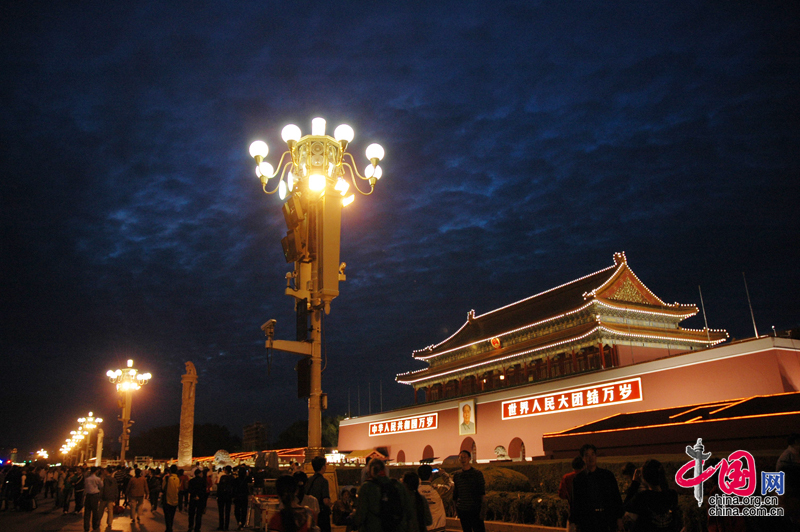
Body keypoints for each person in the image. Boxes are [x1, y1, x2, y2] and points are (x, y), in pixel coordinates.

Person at [571, 444, 624, 532]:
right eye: (587, 455)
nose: (590, 458)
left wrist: (619, 518)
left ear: (596, 456)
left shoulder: (607, 475)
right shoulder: (579, 479)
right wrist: (576, 523)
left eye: (593, 454)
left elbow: (616, 497)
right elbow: (576, 502)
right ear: (583, 458)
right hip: (588, 521)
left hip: (607, 518)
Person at [352, 458, 413, 532]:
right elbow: (409, 511)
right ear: (384, 469)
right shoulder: (398, 485)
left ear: (370, 472)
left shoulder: (366, 487)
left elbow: (360, 516)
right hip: (396, 528)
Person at [624, 459, 681, 532]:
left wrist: (635, 483)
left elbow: (626, 508)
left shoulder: (642, 497)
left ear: (644, 477)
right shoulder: (672, 494)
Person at [452, 450, 485, 532]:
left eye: (465, 457)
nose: (463, 459)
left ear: (469, 458)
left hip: (475, 509)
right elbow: (455, 493)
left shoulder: (477, 474)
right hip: (463, 509)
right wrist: (456, 509)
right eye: (461, 457)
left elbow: (482, 492)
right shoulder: (457, 475)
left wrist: (482, 510)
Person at [558, 455, 585, 532]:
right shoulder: (588, 476)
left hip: (573, 512)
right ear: (583, 466)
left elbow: (561, 494)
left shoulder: (567, 477)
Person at [306, 457, 332, 532]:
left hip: (311, 513)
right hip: (322, 515)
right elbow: (325, 501)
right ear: (323, 467)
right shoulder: (323, 481)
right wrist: (330, 504)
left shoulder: (309, 480)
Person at [417, 465, 446, 532]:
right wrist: (443, 474)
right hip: (438, 527)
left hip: (423, 528)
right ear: (431, 476)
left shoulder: (415, 491)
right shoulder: (438, 489)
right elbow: (451, 485)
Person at [84, 466, 104, 532]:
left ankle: (86, 527)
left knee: (87, 512)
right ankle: (95, 525)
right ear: (96, 471)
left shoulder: (87, 479)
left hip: (88, 495)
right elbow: (101, 486)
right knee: (95, 511)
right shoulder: (97, 479)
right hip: (95, 495)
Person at [162, 465, 181, 532]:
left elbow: (163, 487)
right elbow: (178, 489)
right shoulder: (178, 479)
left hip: (167, 499)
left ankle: (169, 528)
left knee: (167, 516)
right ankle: (170, 527)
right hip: (175, 499)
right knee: (172, 516)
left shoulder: (167, 478)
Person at [101, 466, 118, 531]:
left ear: (107, 471)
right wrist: (116, 496)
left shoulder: (104, 479)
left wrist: (100, 496)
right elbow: (116, 488)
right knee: (110, 510)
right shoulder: (113, 479)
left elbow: (102, 488)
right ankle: (109, 522)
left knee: (101, 510)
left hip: (104, 497)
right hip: (111, 497)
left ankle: (98, 520)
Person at [217, 465, 234, 530]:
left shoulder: (223, 477)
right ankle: (226, 526)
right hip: (228, 496)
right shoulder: (232, 478)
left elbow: (219, 487)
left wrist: (217, 495)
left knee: (221, 511)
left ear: (225, 470)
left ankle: (221, 525)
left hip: (222, 495)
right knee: (227, 512)